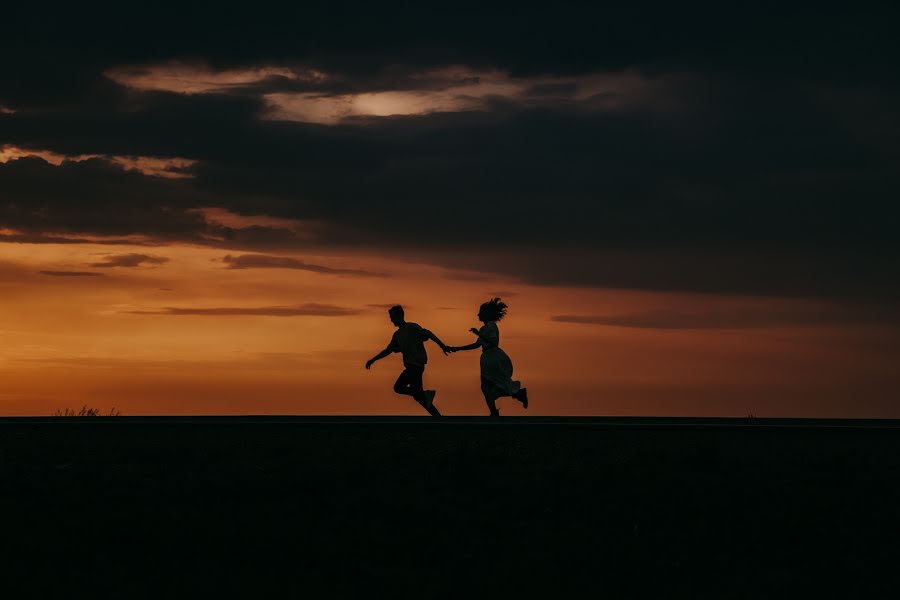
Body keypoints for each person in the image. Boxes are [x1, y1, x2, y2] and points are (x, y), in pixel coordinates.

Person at [447, 297, 528, 417]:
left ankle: (497, 409)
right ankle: (513, 397)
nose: (478, 314)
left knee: (487, 386)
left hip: (492, 357)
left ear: (486, 315)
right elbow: (476, 345)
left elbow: (493, 342)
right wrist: (457, 348)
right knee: (489, 387)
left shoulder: (491, 326)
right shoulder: (484, 328)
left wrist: (478, 334)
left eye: (480, 312)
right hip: (487, 357)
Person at [365, 305, 450, 417]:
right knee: (419, 397)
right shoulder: (397, 335)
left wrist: (442, 345)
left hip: (415, 366)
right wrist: (373, 359)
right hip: (412, 366)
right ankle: (438, 417)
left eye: (392, 317)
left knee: (399, 387)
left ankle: (425, 395)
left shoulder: (412, 327)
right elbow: (388, 350)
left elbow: (428, 334)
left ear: (400, 316)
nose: (391, 319)